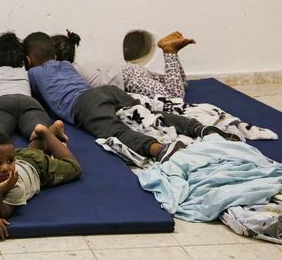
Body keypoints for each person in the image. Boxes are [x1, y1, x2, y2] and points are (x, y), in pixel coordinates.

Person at [24, 31, 209, 163]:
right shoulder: (66, 64)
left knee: (116, 131)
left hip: (83, 104)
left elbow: (32, 97)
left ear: (28, 60)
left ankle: (158, 150)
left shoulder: (33, 74)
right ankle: (196, 127)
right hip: (107, 90)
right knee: (148, 112)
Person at [0, 128, 81, 240]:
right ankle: (41, 135)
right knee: (30, 152)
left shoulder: (15, 184)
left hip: (38, 168)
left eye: (10, 161)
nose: (6, 168)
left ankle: (45, 132)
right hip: (22, 155)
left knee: (74, 168)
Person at [0, 32, 67, 142]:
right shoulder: (25, 72)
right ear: (22, 59)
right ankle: (46, 133)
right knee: (37, 128)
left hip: (2, 103)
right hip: (28, 102)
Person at [53, 29, 195, 99]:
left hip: (129, 81)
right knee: (181, 84)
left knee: (174, 96)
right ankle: (171, 49)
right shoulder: (73, 67)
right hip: (129, 72)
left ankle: (169, 51)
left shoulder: (66, 72)